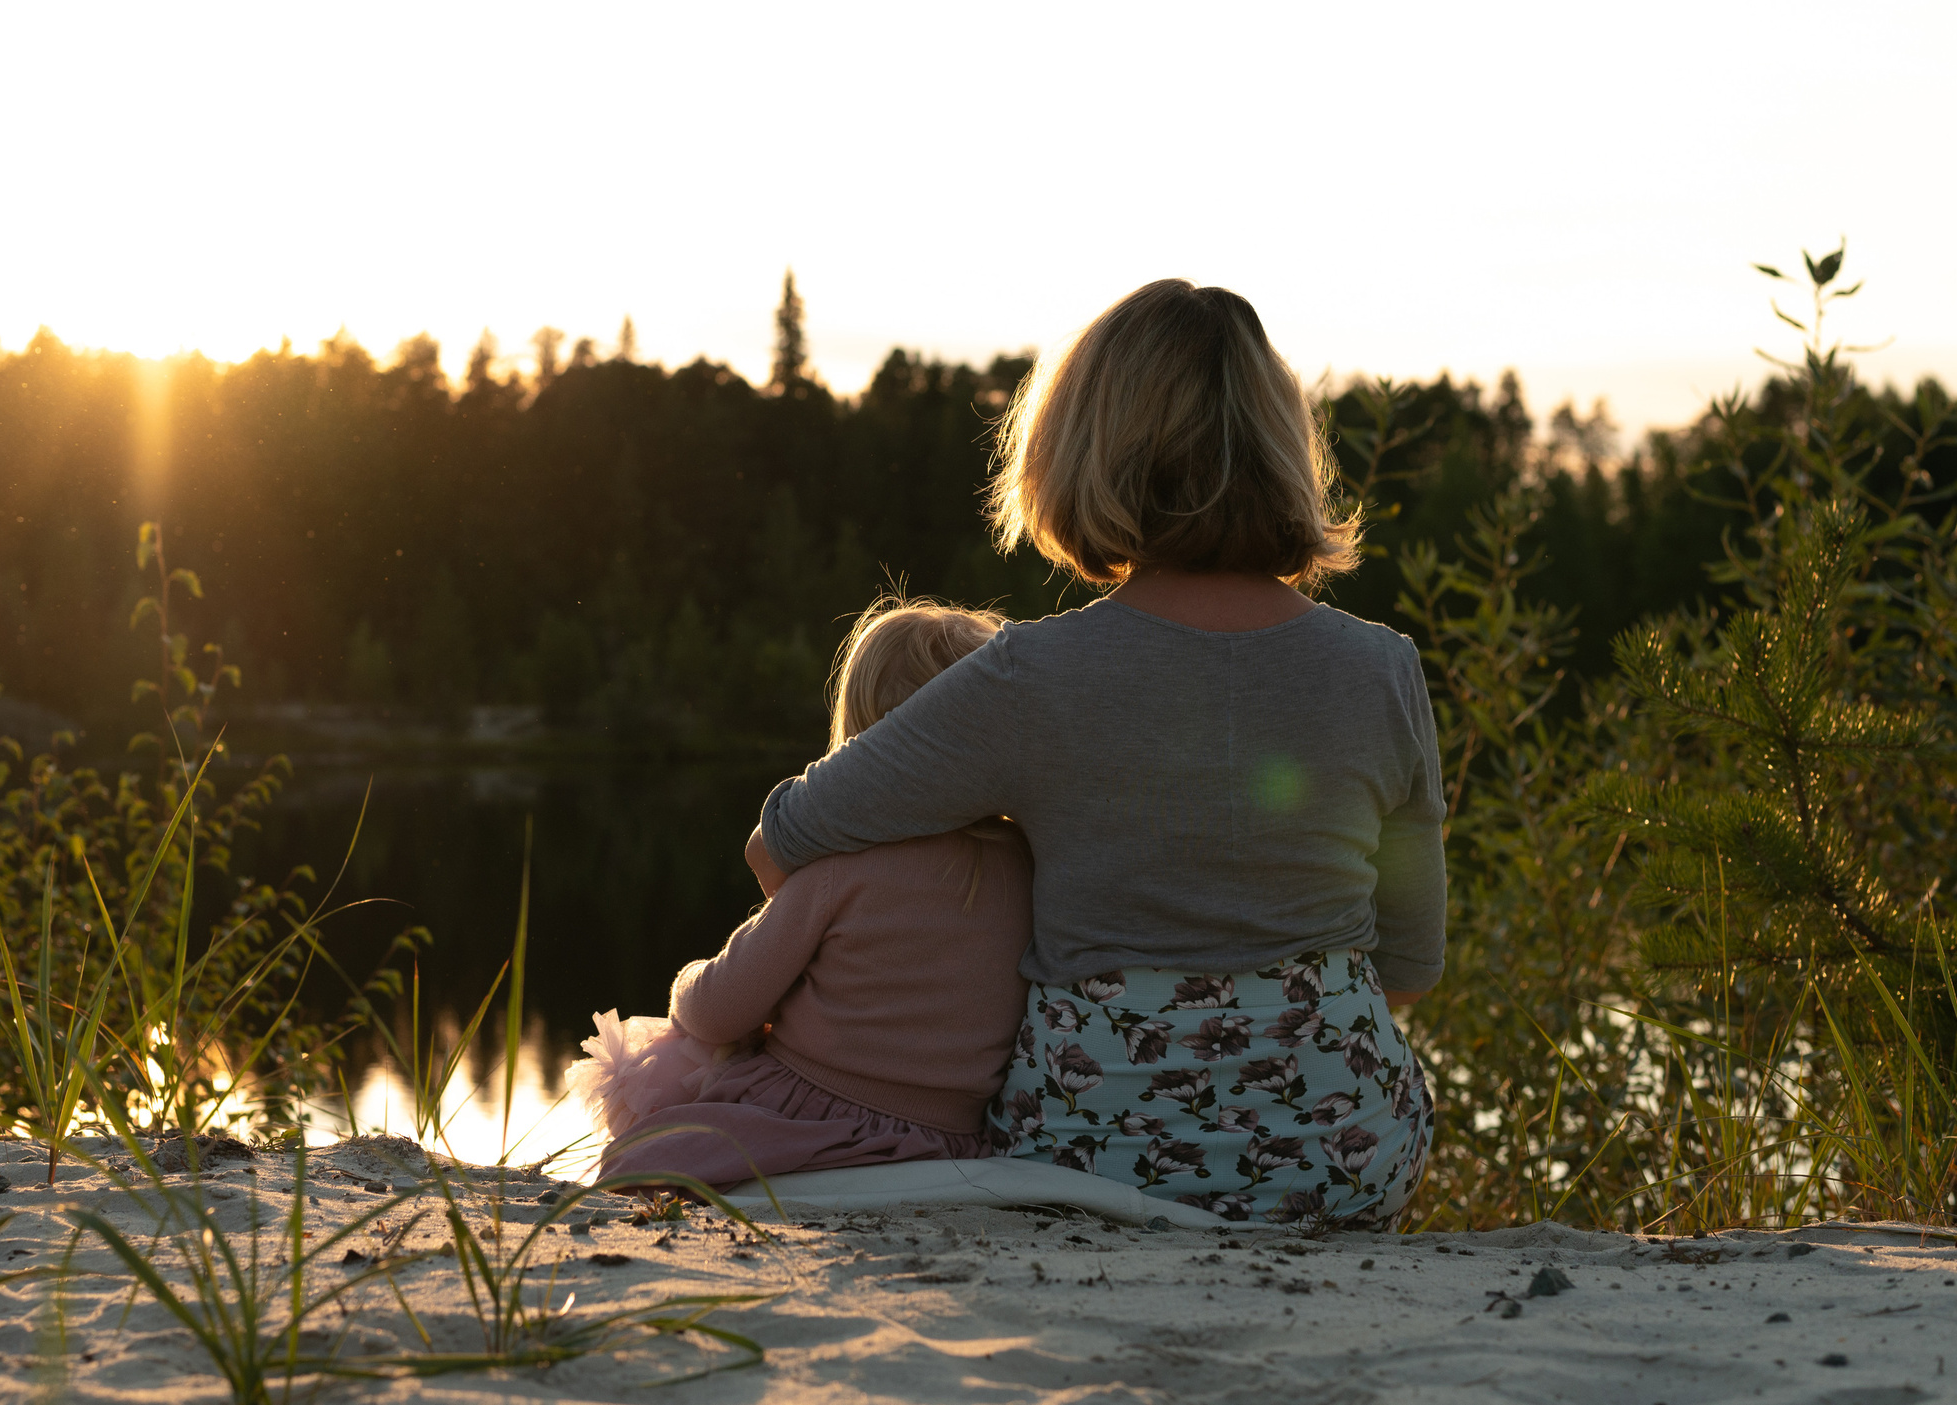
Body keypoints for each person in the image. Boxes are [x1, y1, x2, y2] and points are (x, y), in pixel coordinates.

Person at [747, 279, 1444, 1227]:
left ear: (1081, 448)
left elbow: (783, 840)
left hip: (1089, 1158)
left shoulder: (1031, 675)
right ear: (1286, 450)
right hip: (1342, 1158)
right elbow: (1408, 964)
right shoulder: (1384, 669)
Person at [568, 599, 1034, 1188]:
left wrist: (687, 981)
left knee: (650, 1114)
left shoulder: (840, 866)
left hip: (804, 1115)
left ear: (863, 743)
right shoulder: (1026, 862)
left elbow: (717, 1011)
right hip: (951, 1137)